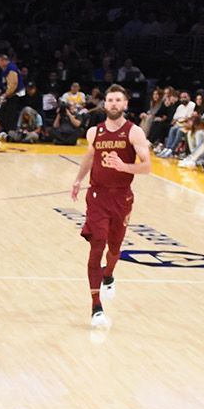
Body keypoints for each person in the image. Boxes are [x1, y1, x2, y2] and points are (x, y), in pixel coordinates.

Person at [68, 84, 151, 329]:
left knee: (114, 247)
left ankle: (109, 275)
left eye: (118, 100)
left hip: (122, 197)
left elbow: (146, 167)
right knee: (97, 244)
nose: (114, 104)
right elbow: (89, 157)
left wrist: (124, 167)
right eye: (110, 100)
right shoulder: (95, 131)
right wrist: (77, 180)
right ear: (105, 104)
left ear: (125, 104)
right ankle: (96, 307)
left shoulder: (134, 132)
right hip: (97, 196)